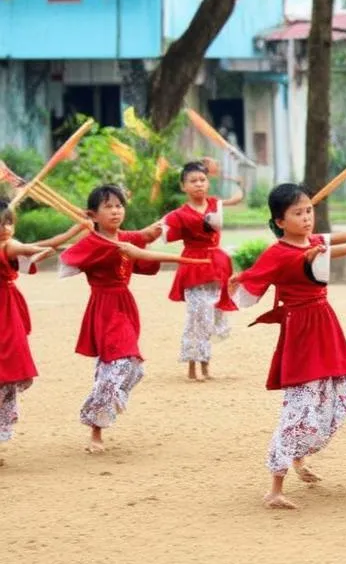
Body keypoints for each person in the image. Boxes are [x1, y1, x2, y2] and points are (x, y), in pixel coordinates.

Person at [230, 183, 346, 510]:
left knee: (339, 396)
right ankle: (275, 486)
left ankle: (299, 453)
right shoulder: (280, 252)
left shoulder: (311, 242)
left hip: (324, 324)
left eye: (309, 211)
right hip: (301, 331)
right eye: (297, 213)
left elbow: (329, 241)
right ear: (280, 221)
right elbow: (323, 252)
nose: (306, 218)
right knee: (300, 406)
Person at [60, 184, 208, 453]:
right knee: (114, 365)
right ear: (92, 215)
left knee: (133, 367)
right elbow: (68, 261)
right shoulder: (93, 242)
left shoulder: (125, 237)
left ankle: (105, 406)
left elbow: (142, 238)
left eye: (119, 206)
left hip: (125, 305)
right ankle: (96, 428)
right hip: (104, 307)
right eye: (108, 207)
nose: (116, 211)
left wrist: (153, 232)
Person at [0, 200, 88, 461]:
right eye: (0, 223)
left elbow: (32, 250)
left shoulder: (9, 246)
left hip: (7, 310)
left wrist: (74, 231)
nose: (6, 228)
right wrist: (41, 247)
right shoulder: (10, 245)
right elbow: (29, 247)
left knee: (5, 377)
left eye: (8, 222)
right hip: (4, 312)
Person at [162, 161, 244, 381]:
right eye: (193, 181)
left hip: (217, 265)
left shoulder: (216, 204)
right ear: (183, 187)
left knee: (212, 315)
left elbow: (237, 198)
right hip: (193, 265)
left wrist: (239, 182)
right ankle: (191, 367)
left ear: (207, 183)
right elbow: (162, 230)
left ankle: (206, 365)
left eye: (202, 180)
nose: (198, 184)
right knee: (196, 316)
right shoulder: (179, 214)